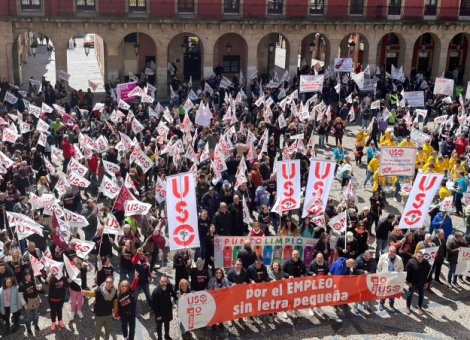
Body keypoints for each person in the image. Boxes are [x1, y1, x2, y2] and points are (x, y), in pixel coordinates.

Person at [82, 276, 118, 340]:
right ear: (104, 282)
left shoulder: (114, 292)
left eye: (110, 282)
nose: (108, 284)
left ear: (112, 283)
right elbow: (92, 293)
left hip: (108, 314)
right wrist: (86, 293)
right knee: (98, 331)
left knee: (108, 330)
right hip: (99, 315)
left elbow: (115, 301)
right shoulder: (99, 290)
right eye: (107, 282)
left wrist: (115, 310)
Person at [376, 246, 403, 312]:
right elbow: (379, 267)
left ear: (395, 252)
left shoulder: (399, 259)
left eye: (393, 252)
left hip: (393, 279)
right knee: (383, 292)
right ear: (388, 251)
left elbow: (402, 268)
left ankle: (391, 305)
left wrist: (399, 273)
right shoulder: (383, 257)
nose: (392, 253)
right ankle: (381, 304)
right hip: (384, 278)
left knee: (392, 293)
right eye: (391, 251)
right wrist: (379, 276)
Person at [405, 250, 432, 315]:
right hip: (413, 282)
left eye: (422, 256)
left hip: (422, 282)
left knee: (421, 295)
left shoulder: (426, 262)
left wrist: (428, 282)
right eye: (419, 256)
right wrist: (408, 281)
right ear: (415, 256)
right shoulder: (411, 262)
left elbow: (429, 273)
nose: (420, 258)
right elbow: (407, 272)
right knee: (410, 294)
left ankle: (419, 307)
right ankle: (408, 306)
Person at [152, 275, 174, 340]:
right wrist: (158, 315)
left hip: (167, 310)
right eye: (162, 282)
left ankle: (166, 335)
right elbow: (154, 305)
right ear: (159, 281)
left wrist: (177, 295)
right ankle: (159, 338)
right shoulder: (155, 292)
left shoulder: (169, 286)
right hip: (160, 312)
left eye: (165, 281)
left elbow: (172, 293)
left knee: (167, 324)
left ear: (167, 281)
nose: (164, 283)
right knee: (159, 326)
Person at [19, 270, 41, 335]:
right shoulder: (21, 284)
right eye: (26, 275)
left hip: (35, 300)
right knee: (27, 317)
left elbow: (40, 286)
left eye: (29, 275)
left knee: (36, 315)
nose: (27, 277)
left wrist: (38, 287)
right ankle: (28, 328)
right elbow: (20, 295)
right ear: (24, 276)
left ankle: (35, 324)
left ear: (31, 275)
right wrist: (24, 304)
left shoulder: (35, 280)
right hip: (27, 302)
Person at [131, 247, 153, 312]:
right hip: (137, 283)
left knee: (148, 295)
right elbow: (134, 260)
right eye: (140, 253)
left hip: (145, 282)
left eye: (142, 253)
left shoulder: (145, 259)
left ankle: (152, 307)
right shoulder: (135, 260)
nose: (141, 254)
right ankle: (132, 309)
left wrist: (149, 275)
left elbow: (147, 268)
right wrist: (137, 252)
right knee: (135, 296)